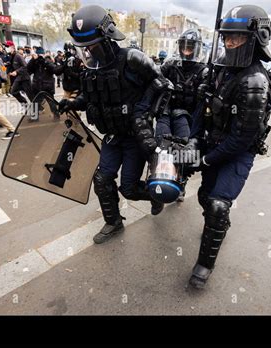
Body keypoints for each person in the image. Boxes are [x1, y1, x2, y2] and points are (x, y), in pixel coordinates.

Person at [58, 5, 169, 244]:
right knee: (102, 180)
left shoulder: (131, 58)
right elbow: (91, 97)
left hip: (134, 136)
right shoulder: (89, 69)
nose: (87, 52)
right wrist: (71, 103)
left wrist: (142, 112)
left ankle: (156, 195)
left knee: (128, 188)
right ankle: (113, 222)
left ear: (107, 39)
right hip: (111, 136)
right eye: (83, 48)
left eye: (92, 45)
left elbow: (161, 83)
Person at [184, 4, 271, 289]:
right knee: (204, 196)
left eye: (237, 37)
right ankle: (218, 224)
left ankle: (204, 265)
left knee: (218, 205)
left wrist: (207, 160)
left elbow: (242, 139)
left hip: (236, 152)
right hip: (213, 143)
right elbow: (203, 108)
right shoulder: (220, 69)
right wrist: (193, 140)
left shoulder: (255, 81)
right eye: (227, 37)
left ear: (256, 37)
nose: (230, 43)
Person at [157, 28, 208, 201]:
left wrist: (206, 90)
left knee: (184, 152)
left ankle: (182, 179)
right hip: (167, 111)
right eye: (184, 46)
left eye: (191, 46)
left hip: (189, 117)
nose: (187, 50)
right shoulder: (170, 65)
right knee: (160, 144)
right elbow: (154, 78)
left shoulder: (204, 72)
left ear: (197, 48)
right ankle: (157, 178)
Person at [6, 40, 33, 112]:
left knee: (30, 95)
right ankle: (25, 105)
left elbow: (25, 66)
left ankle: (39, 108)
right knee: (13, 91)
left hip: (25, 78)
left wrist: (16, 71)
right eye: (5, 47)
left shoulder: (18, 56)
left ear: (12, 47)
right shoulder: (10, 56)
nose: (6, 48)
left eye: (7, 46)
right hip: (18, 78)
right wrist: (8, 72)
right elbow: (10, 66)